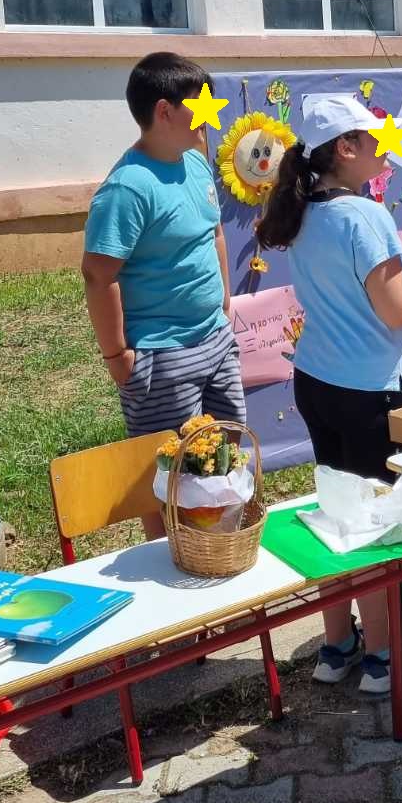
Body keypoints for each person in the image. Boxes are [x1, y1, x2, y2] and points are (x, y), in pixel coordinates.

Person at [255, 94, 402, 694]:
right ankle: (385, 658)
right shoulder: (364, 217)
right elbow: (396, 310)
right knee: (380, 522)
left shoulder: (305, 210)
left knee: (337, 509)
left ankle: (337, 647)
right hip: (370, 391)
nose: (382, 147)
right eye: (371, 136)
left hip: (318, 381)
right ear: (346, 148)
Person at [82, 52, 245, 539]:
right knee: (171, 472)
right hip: (162, 355)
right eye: (202, 104)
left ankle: (221, 547)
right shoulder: (128, 189)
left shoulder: (195, 164)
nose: (211, 115)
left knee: (229, 454)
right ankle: (175, 560)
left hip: (215, 340)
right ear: (165, 111)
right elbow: (97, 275)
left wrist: (224, 298)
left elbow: (214, 232)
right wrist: (117, 355)